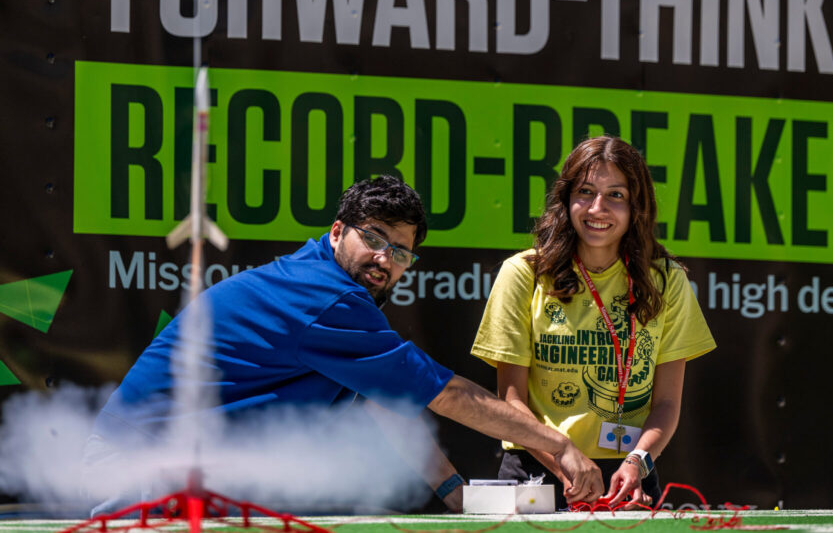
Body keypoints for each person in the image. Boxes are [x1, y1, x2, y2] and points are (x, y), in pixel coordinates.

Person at [89, 175, 602, 513]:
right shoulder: (326, 300)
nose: (386, 259)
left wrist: (453, 491)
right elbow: (445, 395)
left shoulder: (320, 284)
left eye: (401, 252)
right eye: (375, 239)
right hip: (141, 475)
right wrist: (555, 444)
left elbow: (383, 406)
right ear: (337, 231)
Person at [471, 136, 716, 509]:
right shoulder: (524, 273)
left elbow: (666, 403)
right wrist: (563, 459)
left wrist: (638, 460)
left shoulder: (666, 280)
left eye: (615, 195)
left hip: (628, 477)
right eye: (585, 191)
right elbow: (512, 399)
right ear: (566, 199)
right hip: (539, 470)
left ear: (637, 207)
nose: (597, 208)